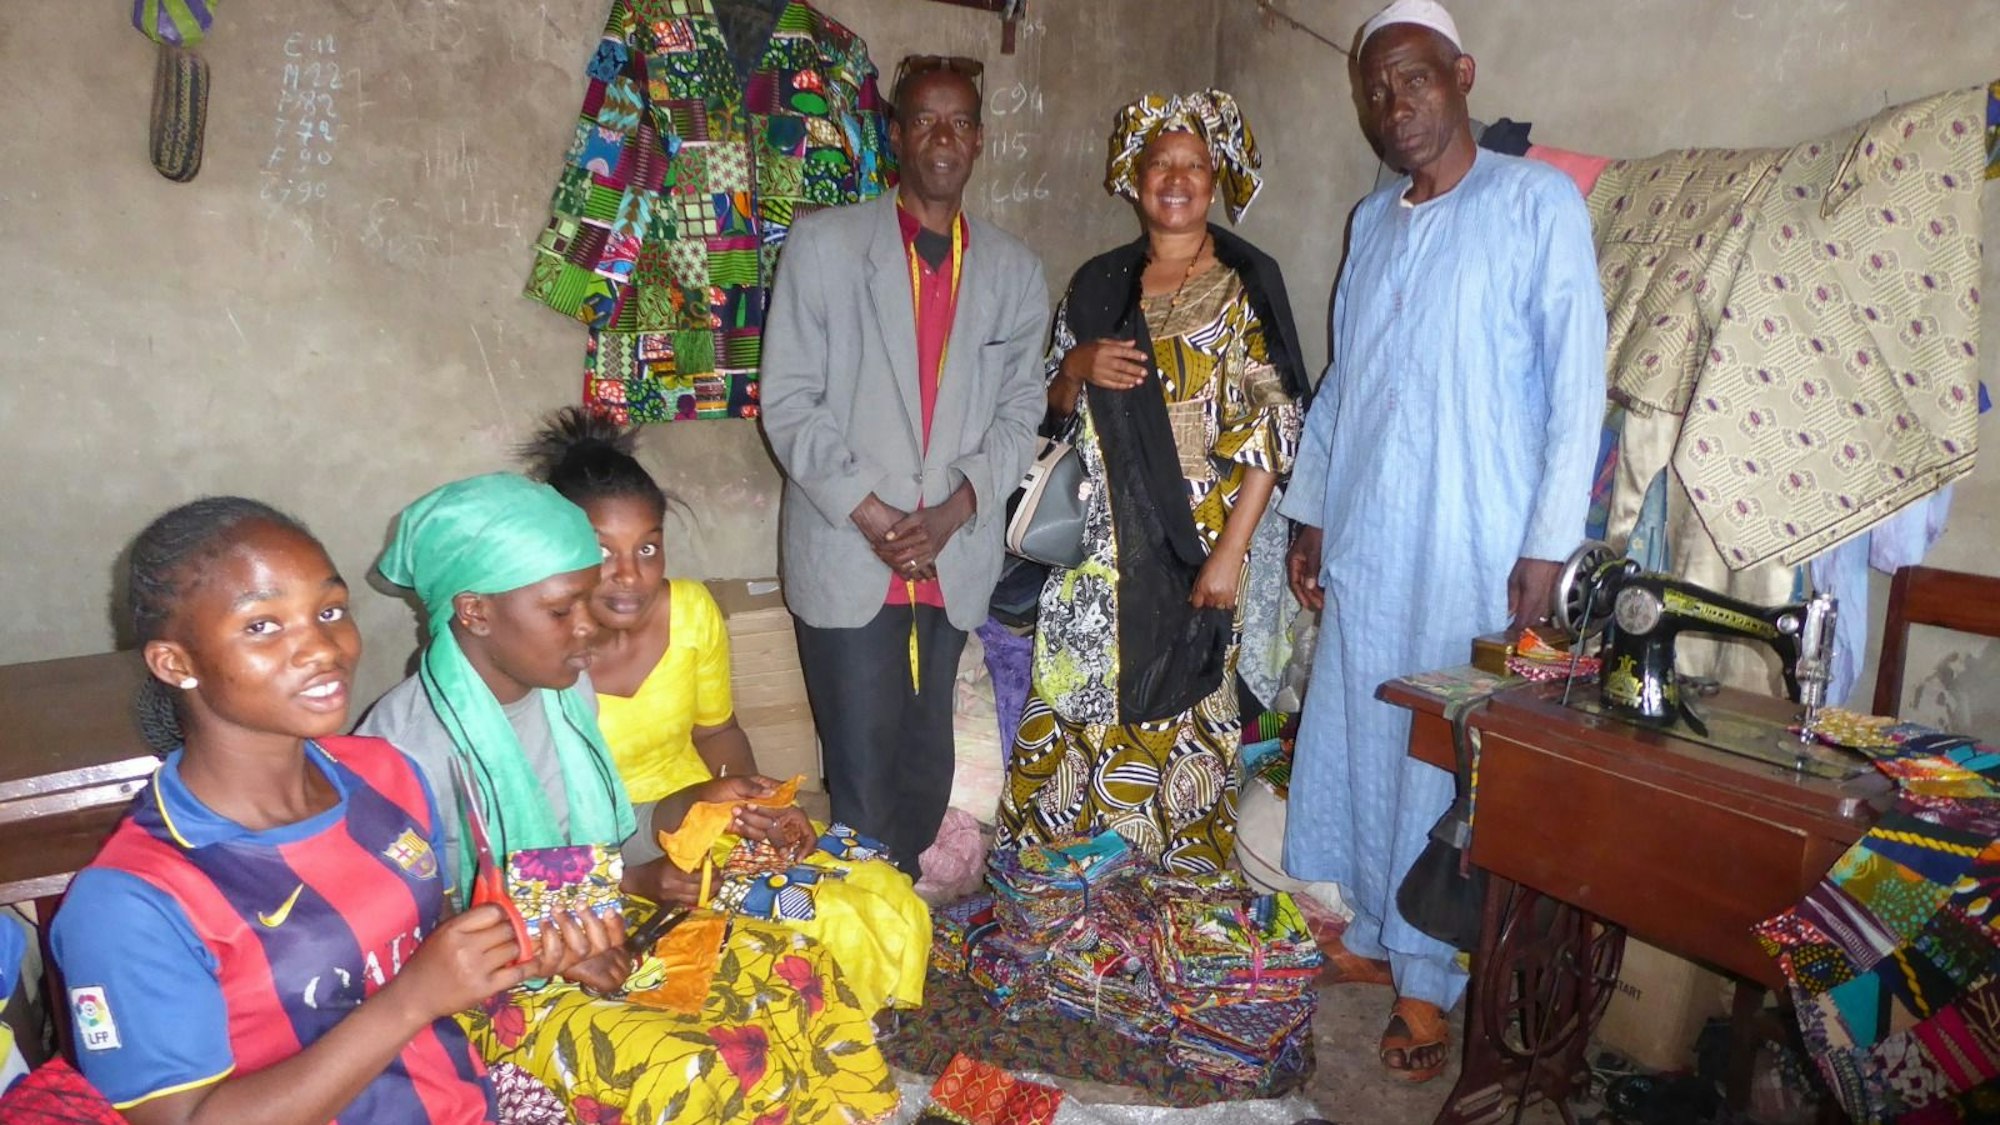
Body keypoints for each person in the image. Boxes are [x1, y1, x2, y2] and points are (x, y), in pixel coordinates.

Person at [356, 473, 899, 1125]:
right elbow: (401, 940)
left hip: (588, 927)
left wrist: (697, 799)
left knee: (795, 965)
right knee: (692, 1061)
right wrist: (546, 940)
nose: (589, 628)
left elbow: (599, 843)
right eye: (563, 610)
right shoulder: (400, 751)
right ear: (475, 610)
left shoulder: (561, 694)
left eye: (588, 600)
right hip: (484, 994)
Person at [1281, 0, 1606, 1083]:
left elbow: (1574, 388)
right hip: (1372, 532)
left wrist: (1549, 544)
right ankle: (1381, 942)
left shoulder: (1534, 204)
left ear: (1461, 75)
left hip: (1477, 540)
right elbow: (1340, 386)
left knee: (1446, 762)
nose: (1393, 103)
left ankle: (1429, 987)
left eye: (1414, 78)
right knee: (1368, 743)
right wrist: (1311, 512)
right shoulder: (1370, 224)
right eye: (1376, 86)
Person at [51, 497, 607, 1125]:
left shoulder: (384, 774)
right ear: (176, 663)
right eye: (263, 625)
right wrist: (411, 1001)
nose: (322, 647)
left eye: (329, 611)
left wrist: (514, 952)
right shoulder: (133, 902)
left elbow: (420, 952)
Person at [522, 406, 932, 1015]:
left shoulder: (689, 611)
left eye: (649, 548)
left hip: (698, 811)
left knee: (882, 889)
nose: (630, 577)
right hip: (603, 843)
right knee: (809, 926)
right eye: (602, 551)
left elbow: (718, 732)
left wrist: (762, 803)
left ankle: (861, 1030)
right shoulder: (533, 655)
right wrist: (628, 878)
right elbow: (528, 829)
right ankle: (834, 1035)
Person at [996, 90, 1307, 875]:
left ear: (1219, 177)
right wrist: (1075, 366)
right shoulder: (1098, 284)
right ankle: (1065, 897)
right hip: (1095, 555)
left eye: (1193, 164)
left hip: (1195, 548)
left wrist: (1230, 556)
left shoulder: (1246, 284)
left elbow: (1275, 432)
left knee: (1183, 716)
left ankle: (1172, 900)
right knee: (1075, 708)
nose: (1175, 178)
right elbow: (1048, 408)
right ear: (1134, 178)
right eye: (1159, 163)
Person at [759, 55, 1050, 876]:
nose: (943, 137)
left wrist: (957, 510)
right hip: (854, 553)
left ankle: (894, 921)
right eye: (924, 119)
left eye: (959, 122)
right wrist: (873, 512)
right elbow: (787, 401)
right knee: (859, 781)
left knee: (927, 776)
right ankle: (863, 970)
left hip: (950, 556)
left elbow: (1020, 412)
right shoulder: (823, 247)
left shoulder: (1016, 271)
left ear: (981, 139)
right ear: (896, 134)